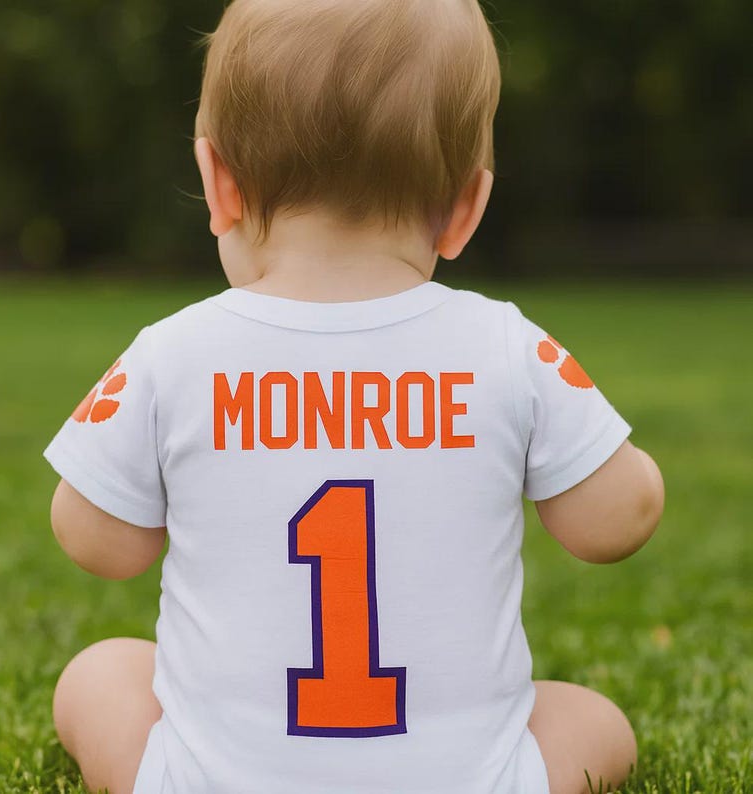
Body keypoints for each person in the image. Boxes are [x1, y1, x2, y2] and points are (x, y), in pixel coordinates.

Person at [43, 1, 665, 792]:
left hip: (214, 780)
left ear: (218, 183)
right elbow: (618, 519)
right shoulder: (508, 346)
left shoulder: (173, 350)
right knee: (593, 719)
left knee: (99, 673)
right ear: (466, 207)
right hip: (466, 781)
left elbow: (94, 539)